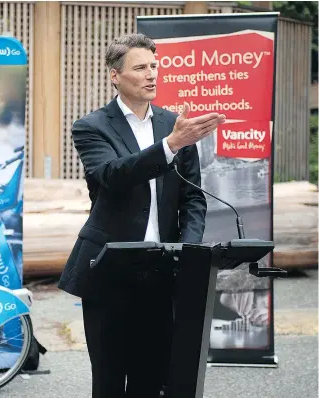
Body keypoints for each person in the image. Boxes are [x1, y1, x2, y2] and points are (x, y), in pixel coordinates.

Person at [57, 33, 226, 397]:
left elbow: (193, 198)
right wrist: (169, 146)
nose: (151, 75)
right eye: (140, 68)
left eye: (154, 67)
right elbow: (113, 175)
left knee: (152, 376)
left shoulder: (172, 124)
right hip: (108, 269)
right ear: (115, 75)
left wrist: (188, 251)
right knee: (109, 377)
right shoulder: (92, 126)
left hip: (160, 270)